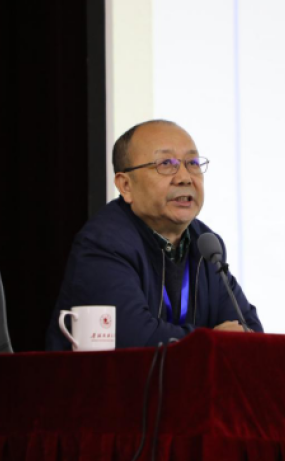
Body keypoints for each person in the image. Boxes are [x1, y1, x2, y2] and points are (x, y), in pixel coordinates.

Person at [46, 120, 263, 350]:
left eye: (192, 163)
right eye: (166, 164)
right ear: (126, 185)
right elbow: (134, 338)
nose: (185, 177)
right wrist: (212, 340)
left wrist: (224, 339)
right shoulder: (104, 242)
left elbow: (250, 330)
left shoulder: (206, 244)